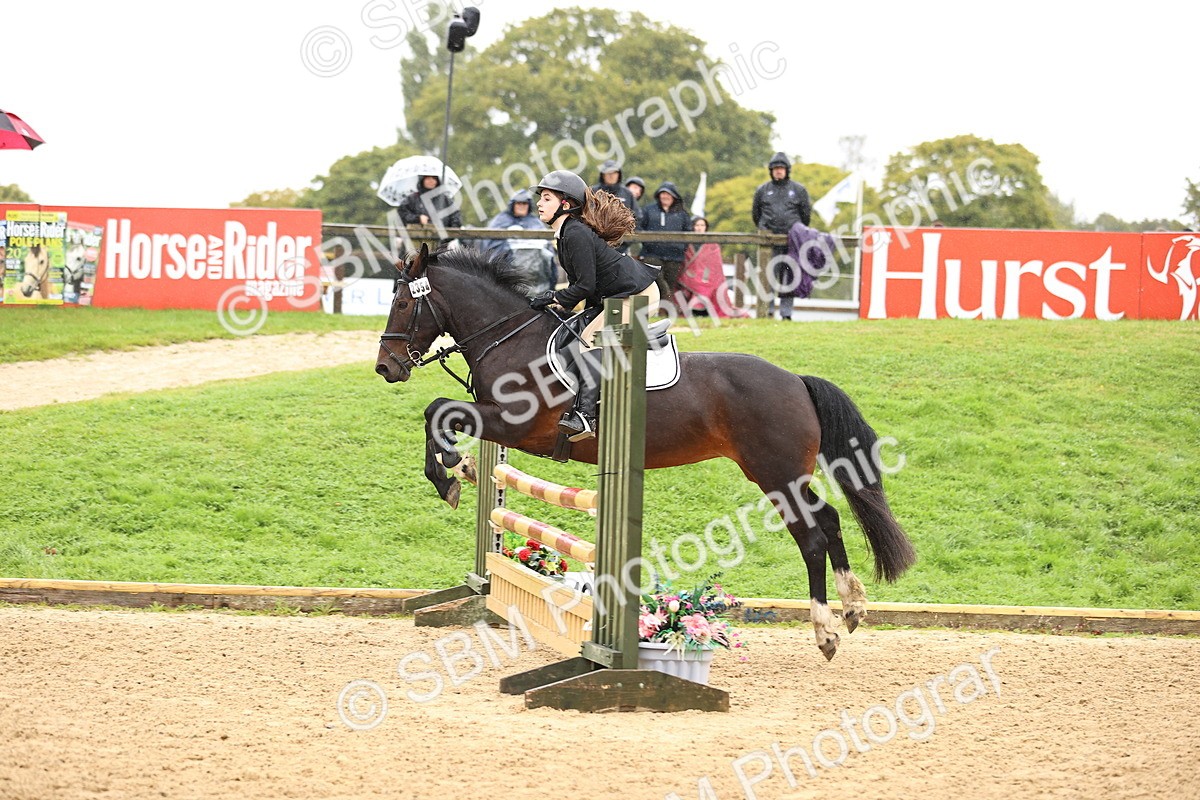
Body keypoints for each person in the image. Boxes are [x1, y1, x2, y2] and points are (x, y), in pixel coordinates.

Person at [528, 170, 661, 442]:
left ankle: (585, 417)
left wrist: (554, 297)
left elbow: (585, 286)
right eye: (541, 198)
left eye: (547, 198)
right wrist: (560, 303)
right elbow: (583, 285)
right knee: (576, 334)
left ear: (565, 204)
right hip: (616, 295)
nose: (539, 203)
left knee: (591, 339)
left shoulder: (575, 233)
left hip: (638, 294)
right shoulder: (564, 234)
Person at [751, 152, 811, 320]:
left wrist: (796, 230)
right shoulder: (763, 190)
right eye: (775, 168)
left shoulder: (798, 190)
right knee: (768, 275)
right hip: (769, 241)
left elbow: (806, 214)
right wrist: (765, 228)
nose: (778, 171)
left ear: (787, 170)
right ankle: (768, 311)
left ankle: (786, 313)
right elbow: (756, 214)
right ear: (771, 171)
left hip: (792, 241)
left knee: (789, 277)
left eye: (781, 168)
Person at [480, 189, 556, 294]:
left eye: (524, 203)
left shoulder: (535, 222)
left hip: (535, 272)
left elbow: (547, 246)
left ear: (529, 205)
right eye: (519, 203)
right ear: (513, 205)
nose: (522, 206)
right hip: (509, 266)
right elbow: (491, 245)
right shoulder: (501, 220)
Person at [678, 215, 748, 318]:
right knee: (690, 283)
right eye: (697, 225)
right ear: (692, 226)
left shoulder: (712, 243)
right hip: (689, 276)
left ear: (706, 227)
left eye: (702, 225)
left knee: (709, 285)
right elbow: (685, 262)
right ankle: (693, 309)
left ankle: (702, 309)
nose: (699, 228)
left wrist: (705, 277)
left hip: (707, 277)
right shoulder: (686, 243)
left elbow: (715, 265)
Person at [638, 181, 692, 309]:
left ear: (674, 197)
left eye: (668, 194)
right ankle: (669, 304)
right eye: (662, 194)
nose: (665, 197)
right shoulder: (649, 210)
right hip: (651, 253)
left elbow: (688, 232)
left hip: (674, 256)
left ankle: (665, 310)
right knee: (659, 281)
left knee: (670, 283)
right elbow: (639, 227)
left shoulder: (682, 214)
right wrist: (648, 243)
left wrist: (681, 248)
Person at [398, 173, 463, 231]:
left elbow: (456, 217)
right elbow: (402, 215)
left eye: (434, 178)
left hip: (442, 238)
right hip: (417, 236)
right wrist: (417, 218)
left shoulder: (445, 200)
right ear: (422, 180)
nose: (431, 181)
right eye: (428, 178)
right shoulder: (412, 199)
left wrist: (449, 232)